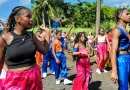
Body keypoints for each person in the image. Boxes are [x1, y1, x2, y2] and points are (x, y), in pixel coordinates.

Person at [0, 6, 50, 90]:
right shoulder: (5, 38)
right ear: (17, 19)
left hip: (34, 77)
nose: (31, 19)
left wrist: (47, 32)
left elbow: (44, 51)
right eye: (28, 16)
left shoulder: (32, 36)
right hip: (14, 80)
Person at [111, 8, 130, 90]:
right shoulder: (117, 30)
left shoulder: (127, 30)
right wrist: (114, 71)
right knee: (123, 86)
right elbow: (113, 50)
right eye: (127, 14)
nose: (129, 16)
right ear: (120, 16)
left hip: (128, 57)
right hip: (122, 60)